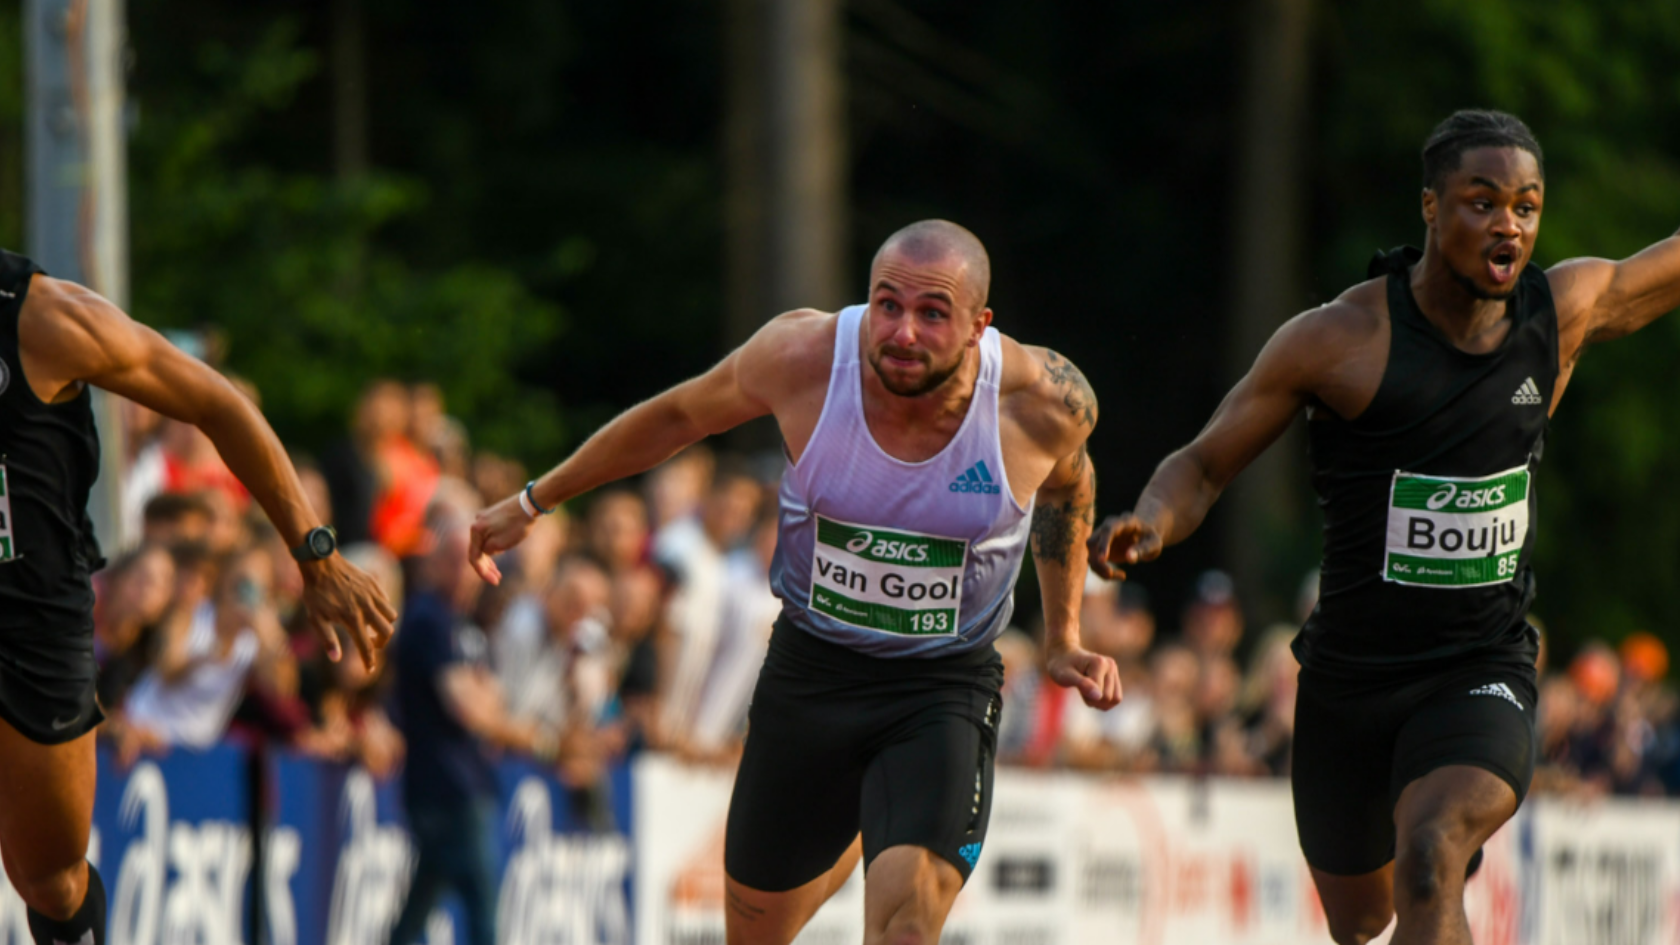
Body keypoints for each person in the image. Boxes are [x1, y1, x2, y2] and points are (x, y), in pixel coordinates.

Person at [1088, 109, 1680, 945]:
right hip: (1351, 683)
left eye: (1526, 204)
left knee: (1433, 857)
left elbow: (1662, 269)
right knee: (1361, 919)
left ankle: (1437, 823)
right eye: (1482, 201)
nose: (1507, 223)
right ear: (1432, 208)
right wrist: (1150, 520)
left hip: (1481, 664)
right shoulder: (1340, 340)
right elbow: (1203, 464)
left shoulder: (1561, 312)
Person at [469, 219, 1120, 945]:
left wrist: (1064, 636)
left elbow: (1070, 486)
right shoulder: (804, 357)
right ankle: (867, 816)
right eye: (887, 305)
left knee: (905, 925)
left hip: (942, 685)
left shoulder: (1040, 403)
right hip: (812, 670)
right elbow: (679, 416)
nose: (902, 333)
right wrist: (536, 500)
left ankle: (889, 809)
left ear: (978, 327)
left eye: (933, 313)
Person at [0, 251, 396, 945]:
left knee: (50, 875)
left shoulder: (42, 316)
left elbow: (217, 400)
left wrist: (314, 551)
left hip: (31, 616)